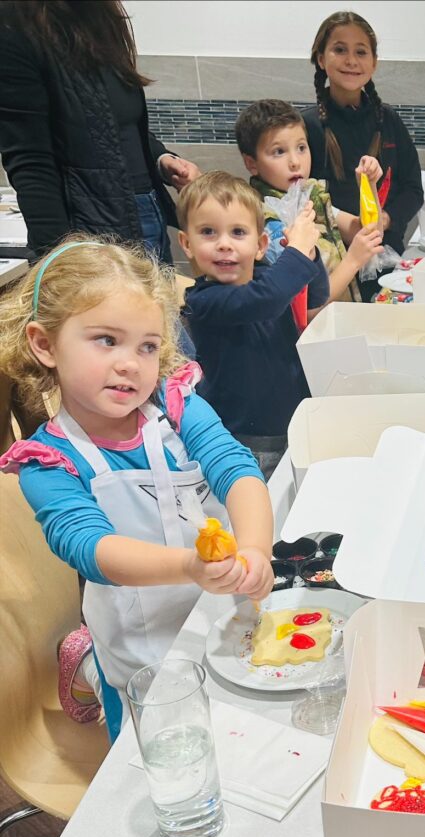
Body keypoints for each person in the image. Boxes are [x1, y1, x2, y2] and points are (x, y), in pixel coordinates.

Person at [0, 238, 273, 740]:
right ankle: (87, 662)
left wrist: (255, 546)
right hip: (139, 646)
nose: (131, 363)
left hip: (217, 609)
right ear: (45, 344)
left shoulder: (177, 407)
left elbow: (234, 467)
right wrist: (189, 567)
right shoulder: (49, 463)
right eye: (106, 339)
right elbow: (92, 549)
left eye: (147, 345)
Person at [0, 0, 200, 264]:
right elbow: (31, 163)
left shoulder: (99, 14)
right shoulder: (15, 24)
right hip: (90, 234)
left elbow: (117, 124)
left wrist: (162, 159)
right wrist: (57, 262)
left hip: (146, 215)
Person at [178, 172, 329, 478]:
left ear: (261, 244)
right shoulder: (204, 301)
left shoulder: (266, 279)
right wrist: (295, 253)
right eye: (208, 232)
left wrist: (309, 256)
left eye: (237, 232)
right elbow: (263, 300)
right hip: (244, 439)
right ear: (187, 244)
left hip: (290, 425)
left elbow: (317, 295)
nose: (224, 244)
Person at [303, 10, 423, 297]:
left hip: (387, 258)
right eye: (339, 50)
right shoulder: (307, 126)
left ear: (374, 62)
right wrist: (351, 227)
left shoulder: (389, 120)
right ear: (321, 58)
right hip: (331, 264)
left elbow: (412, 189)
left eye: (361, 51)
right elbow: (301, 196)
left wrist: (384, 220)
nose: (351, 61)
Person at [235, 98, 384, 307]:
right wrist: (352, 261)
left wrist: (368, 187)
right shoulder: (266, 221)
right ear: (251, 163)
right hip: (304, 335)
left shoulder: (308, 195)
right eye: (279, 151)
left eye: (301, 148)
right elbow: (306, 308)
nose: (295, 162)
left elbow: (369, 232)